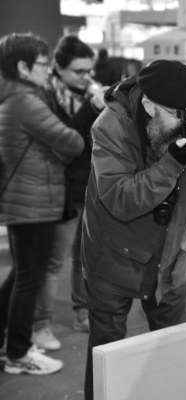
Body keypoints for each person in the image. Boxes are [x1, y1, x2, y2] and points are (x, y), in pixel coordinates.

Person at [81, 59, 186, 400]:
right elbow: (120, 199)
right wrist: (175, 161)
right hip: (112, 258)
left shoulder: (183, 123)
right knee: (106, 353)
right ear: (149, 105)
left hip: (170, 257)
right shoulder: (110, 126)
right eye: (177, 113)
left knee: (173, 350)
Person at [0, 33, 84, 375]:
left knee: (21, 275)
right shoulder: (26, 101)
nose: (48, 69)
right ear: (22, 67)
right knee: (28, 279)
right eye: (42, 63)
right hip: (32, 201)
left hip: (27, 199)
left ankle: (11, 346)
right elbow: (74, 141)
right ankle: (18, 354)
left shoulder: (17, 97)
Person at [32, 35, 107, 352]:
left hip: (89, 187)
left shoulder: (89, 94)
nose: (86, 77)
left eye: (89, 70)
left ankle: (81, 312)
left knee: (83, 259)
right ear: (58, 69)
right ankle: (40, 324)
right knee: (51, 263)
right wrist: (92, 108)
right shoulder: (45, 98)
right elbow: (69, 143)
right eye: (78, 71)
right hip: (58, 189)